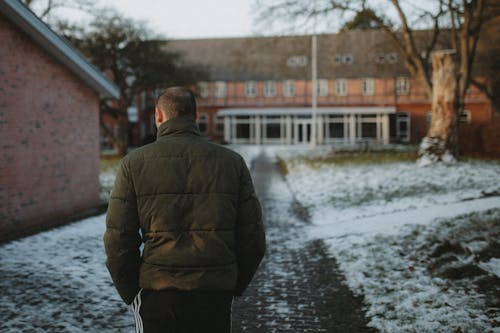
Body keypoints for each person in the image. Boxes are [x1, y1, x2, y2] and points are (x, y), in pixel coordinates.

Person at [104, 87, 266, 333]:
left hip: (158, 294)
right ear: (196, 116)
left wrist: (132, 292)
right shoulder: (232, 163)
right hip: (214, 295)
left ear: (158, 116)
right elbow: (252, 238)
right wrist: (231, 284)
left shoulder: (133, 164)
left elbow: (119, 239)